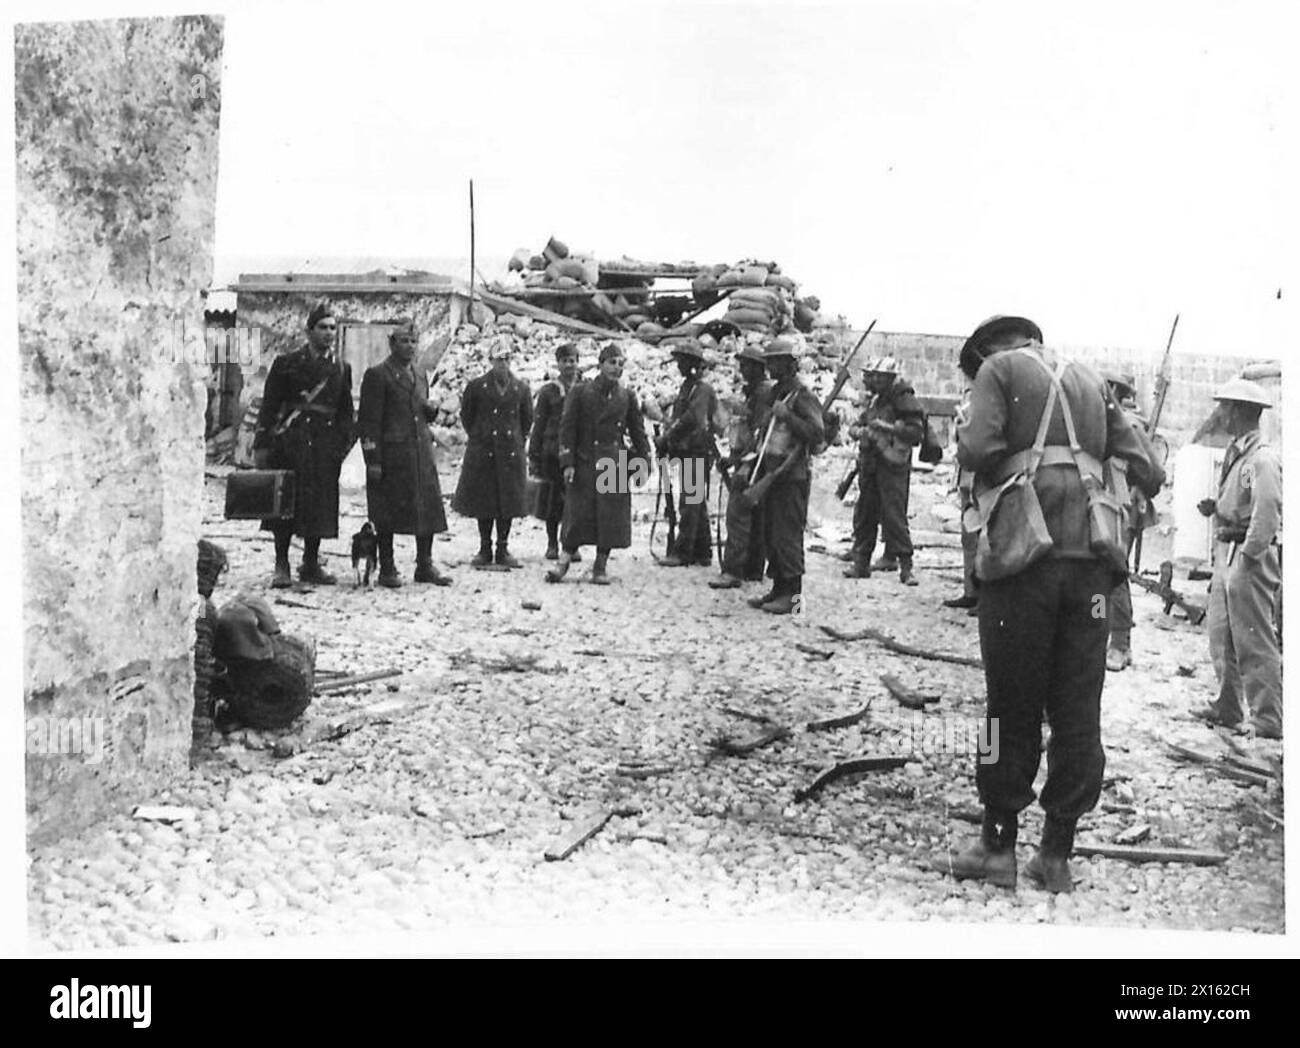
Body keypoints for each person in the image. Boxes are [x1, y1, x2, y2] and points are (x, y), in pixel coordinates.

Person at [935, 315, 1163, 894]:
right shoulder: (1090, 378)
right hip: (1090, 563)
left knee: (1007, 703)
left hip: (1023, 558)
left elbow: (978, 446)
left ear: (988, 351)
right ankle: (1056, 854)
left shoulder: (998, 370)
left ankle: (996, 845)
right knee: (1077, 708)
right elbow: (1151, 470)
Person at [1195, 379, 1282, 739]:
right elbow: (1242, 500)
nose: (1221, 415)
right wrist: (1218, 508)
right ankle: (1228, 704)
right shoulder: (1238, 454)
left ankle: (1267, 718)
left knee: (1253, 638)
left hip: (1246, 555)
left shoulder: (1261, 458)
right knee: (1222, 634)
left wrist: (1247, 558)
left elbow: (1267, 513)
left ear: (1242, 411)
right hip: (1226, 550)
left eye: (1226, 408)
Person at [254, 300, 354, 588]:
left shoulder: (341, 369)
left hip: (324, 447)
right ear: (309, 331)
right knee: (286, 505)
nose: (329, 333)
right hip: (291, 443)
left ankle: (310, 563)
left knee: (319, 506)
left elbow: (346, 412)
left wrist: (341, 446)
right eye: (322, 327)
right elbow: (269, 406)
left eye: (333, 328)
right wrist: (263, 443)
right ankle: (281, 564)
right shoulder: (287, 364)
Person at [356, 319, 452, 588]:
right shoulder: (378, 375)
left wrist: (430, 410)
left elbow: (417, 408)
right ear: (392, 344)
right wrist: (372, 459)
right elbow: (368, 422)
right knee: (387, 513)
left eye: (413, 341)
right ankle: (387, 567)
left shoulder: (420, 374)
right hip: (392, 456)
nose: (410, 347)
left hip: (420, 453)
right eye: (403, 341)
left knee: (428, 509)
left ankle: (424, 565)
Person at [546, 342, 651, 584]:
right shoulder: (581, 392)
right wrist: (567, 462)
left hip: (614, 462)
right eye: (612, 363)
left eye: (620, 364)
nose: (616, 368)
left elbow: (637, 431)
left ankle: (600, 566)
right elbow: (567, 428)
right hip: (585, 461)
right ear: (601, 364)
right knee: (576, 514)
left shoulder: (626, 396)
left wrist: (644, 460)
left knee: (610, 517)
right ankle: (562, 564)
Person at [744, 337, 824, 615]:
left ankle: (794, 600)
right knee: (772, 534)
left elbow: (816, 435)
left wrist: (788, 416)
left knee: (788, 535)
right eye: (770, 361)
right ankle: (779, 590)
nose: (771, 366)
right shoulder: (776, 393)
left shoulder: (802, 396)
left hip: (791, 475)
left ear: (790, 364)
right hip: (772, 472)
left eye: (776, 361)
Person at [842, 356, 925, 585]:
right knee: (865, 513)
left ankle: (906, 567)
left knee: (894, 515)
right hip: (871, 463)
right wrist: (860, 432)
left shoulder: (903, 399)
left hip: (891, 464)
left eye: (878, 376)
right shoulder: (875, 400)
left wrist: (886, 428)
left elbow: (916, 433)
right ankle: (861, 562)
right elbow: (858, 425)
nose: (873, 380)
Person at [452, 336, 533, 568]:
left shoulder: (521, 388)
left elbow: (527, 419)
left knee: (507, 501)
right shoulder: (477, 387)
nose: (503, 365)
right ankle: (485, 547)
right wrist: (480, 435)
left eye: (507, 359)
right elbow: (467, 416)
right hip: (484, 450)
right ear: (490, 361)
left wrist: (517, 440)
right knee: (484, 500)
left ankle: (503, 547)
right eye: (498, 360)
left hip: (510, 452)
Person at [1100, 371, 1159, 671]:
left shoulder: (1129, 425)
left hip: (1121, 509)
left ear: (1111, 390)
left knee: (1115, 575)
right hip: (1100, 507)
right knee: (1099, 576)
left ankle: (1120, 644)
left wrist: (1137, 488)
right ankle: (1100, 634)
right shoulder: (1100, 420)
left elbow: (1155, 474)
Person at [710, 341, 771, 589]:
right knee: (755, 517)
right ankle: (753, 569)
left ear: (758, 368)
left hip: (752, 463)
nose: (742, 369)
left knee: (738, 515)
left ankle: (734, 570)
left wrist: (735, 460)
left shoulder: (763, 394)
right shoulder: (756, 392)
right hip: (752, 460)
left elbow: (758, 435)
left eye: (746, 365)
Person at [656, 338, 720, 567]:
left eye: (682, 361)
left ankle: (682, 552)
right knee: (696, 501)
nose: (679, 365)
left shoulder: (702, 390)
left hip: (698, 450)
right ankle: (702, 552)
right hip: (687, 450)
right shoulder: (688, 387)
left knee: (690, 501)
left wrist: (667, 437)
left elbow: (692, 419)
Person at [529, 342, 582, 561]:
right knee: (552, 500)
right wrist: (534, 454)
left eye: (573, 361)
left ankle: (571, 544)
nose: (570, 365)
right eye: (565, 361)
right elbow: (538, 425)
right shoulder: (548, 392)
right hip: (552, 452)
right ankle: (552, 543)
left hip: (578, 453)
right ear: (558, 364)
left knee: (575, 500)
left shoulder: (584, 389)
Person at [942, 385, 980, 614]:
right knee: (969, 538)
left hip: (979, 480)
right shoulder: (971, 395)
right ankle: (971, 591)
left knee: (981, 539)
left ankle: (981, 595)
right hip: (968, 477)